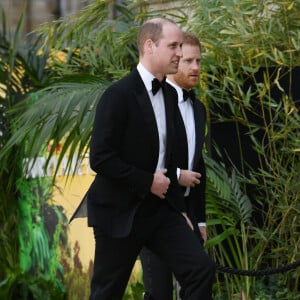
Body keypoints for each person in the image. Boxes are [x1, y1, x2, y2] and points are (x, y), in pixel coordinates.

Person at [87, 18, 215, 300]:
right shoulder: (118, 95)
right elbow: (100, 157)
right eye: (173, 46)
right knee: (107, 293)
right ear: (149, 46)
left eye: (180, 46)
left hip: (160, 212)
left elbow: (168, 159)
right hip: (120, 211)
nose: (179, 54)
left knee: (200, 269)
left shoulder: (170, 96)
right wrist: (147, 182)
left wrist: (181, 209)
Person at [140, 31, 209, 300]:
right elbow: (144, 156)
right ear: (175, 60)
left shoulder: (198, 107)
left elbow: (198, 164)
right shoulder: (154, 100)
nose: (196, 67)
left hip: (188, 214)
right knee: (159, 291)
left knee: (199, 280)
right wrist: (178, 175)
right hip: (157, 210)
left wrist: (200, 219)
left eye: (199, 61)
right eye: (189, 61)